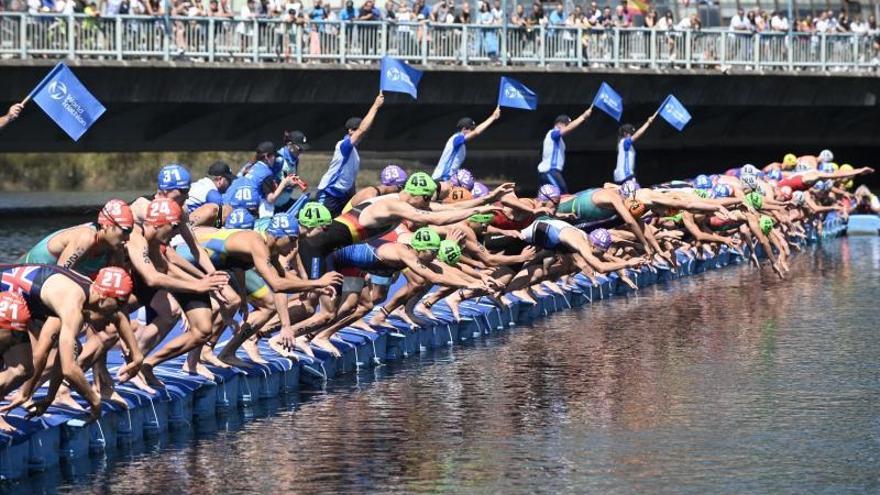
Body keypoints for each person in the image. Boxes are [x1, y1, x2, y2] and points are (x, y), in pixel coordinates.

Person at [0, 265, 134, 419]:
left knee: (22, 370)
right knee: (15, 363)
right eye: (120, 303)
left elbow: (63, 359)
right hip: (8, 298)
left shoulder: (87, 295)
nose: (119, 311)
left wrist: (48, 397)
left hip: (15, 299)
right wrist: (94, 401)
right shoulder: (72, 305)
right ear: (104, 298)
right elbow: (67, 368)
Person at [19, 199, 134, 277]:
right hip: (21, 272)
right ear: (106, 225)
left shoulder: (115, 249)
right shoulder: (85, 238)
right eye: (125, 231)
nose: (128, 238)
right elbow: (61, 276)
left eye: (130, 231)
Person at [316, 93, 385, 216]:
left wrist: (354, 197)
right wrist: (376, 106)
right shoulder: (344, 146)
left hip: (342, 196)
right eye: (358, 131)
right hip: (329, 194)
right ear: (350, 131)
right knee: (318, 227)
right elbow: (362, 129)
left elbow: (350, 179)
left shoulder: (355, 153)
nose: (362, 135)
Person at [432, 107, 502, 181]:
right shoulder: (457, 138)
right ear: (464, 129)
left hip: (446, 178)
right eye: (471, 129)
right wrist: (493, 117)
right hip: (442, 178)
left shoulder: (459, 142)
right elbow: (476, 132)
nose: (472, 131)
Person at [537, 107, 593, 194]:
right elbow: (567, 129)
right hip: (550, 172)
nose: (568, 128)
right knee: (562, 195)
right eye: (567, 125)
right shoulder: (553, 133)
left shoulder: (558, 139)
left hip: (551, 173)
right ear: (560, 125)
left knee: (550, 198)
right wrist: (583, 116)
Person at [613, 113, 657, 184]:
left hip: (620, 176)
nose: (632, 135)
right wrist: (648, 123)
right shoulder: (625, 142)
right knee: (637, 193)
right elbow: (638, 135)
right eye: (630, 133)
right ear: (625, 133)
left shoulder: (622, 144)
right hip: (626, 176)